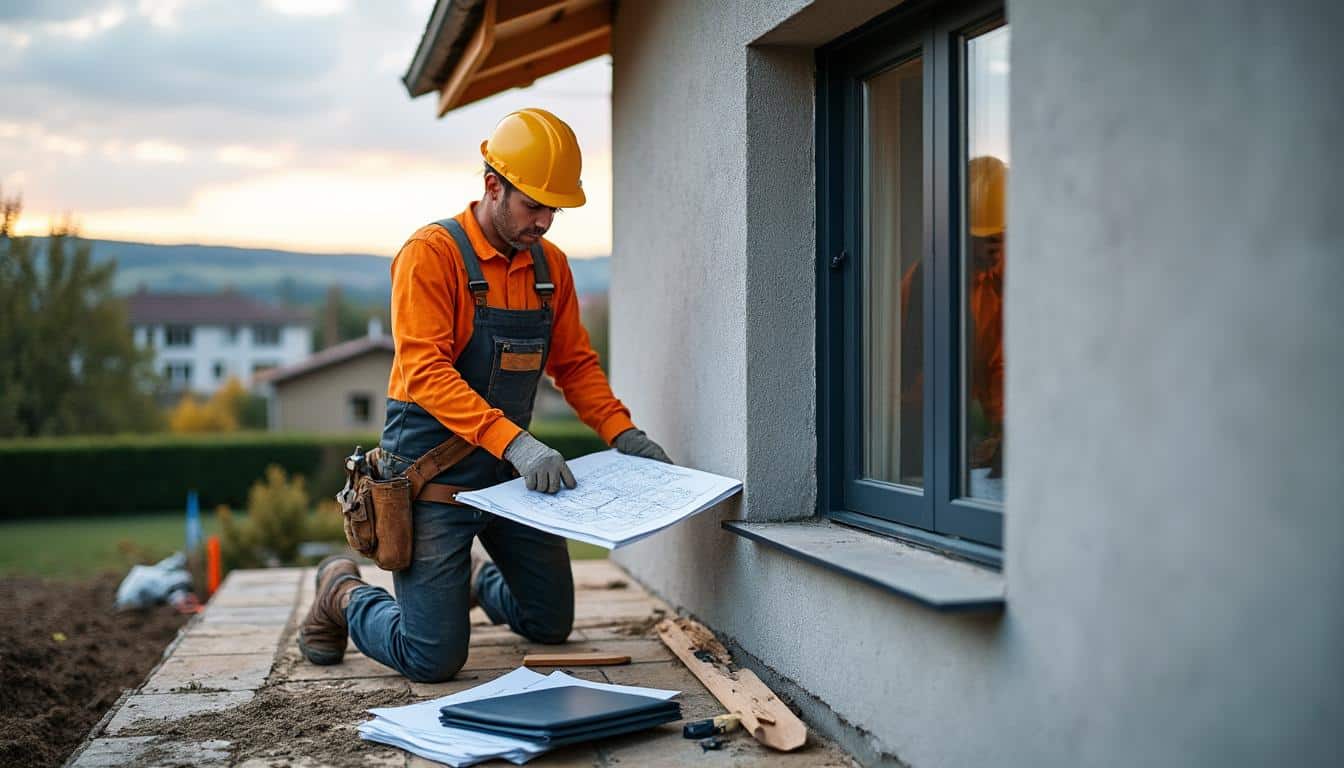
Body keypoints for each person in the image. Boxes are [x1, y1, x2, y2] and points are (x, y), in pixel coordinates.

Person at [297, 108, 670, 682]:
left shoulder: (551, 269)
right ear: (493, 186)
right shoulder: (432, 254)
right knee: (432, 659)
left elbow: (575, 365)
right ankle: (342, 592)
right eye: (533, 205)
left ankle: (469, 580)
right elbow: (425, 371)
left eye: (555, 209)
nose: (544, 222)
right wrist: (518, 444)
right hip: (431, 479)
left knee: (549, 622)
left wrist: (625, 434)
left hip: (509, 479)